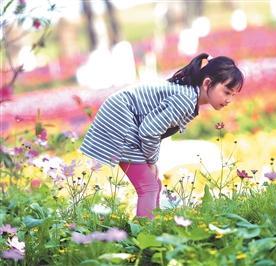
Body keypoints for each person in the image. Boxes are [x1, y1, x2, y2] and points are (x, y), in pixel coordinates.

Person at [80, 53, 244, 219]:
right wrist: (151, 161)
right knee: (148, 187)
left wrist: (151, 162)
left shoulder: (189, 96)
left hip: (123, 116)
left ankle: (153, 226)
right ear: (207, 83)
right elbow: (149, 131)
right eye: (226, 92)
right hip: (120, 117)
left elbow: (151, 129)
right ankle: (145, 234)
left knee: (154, 184)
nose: (229, 99)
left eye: (233, 95)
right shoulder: (185, 100)